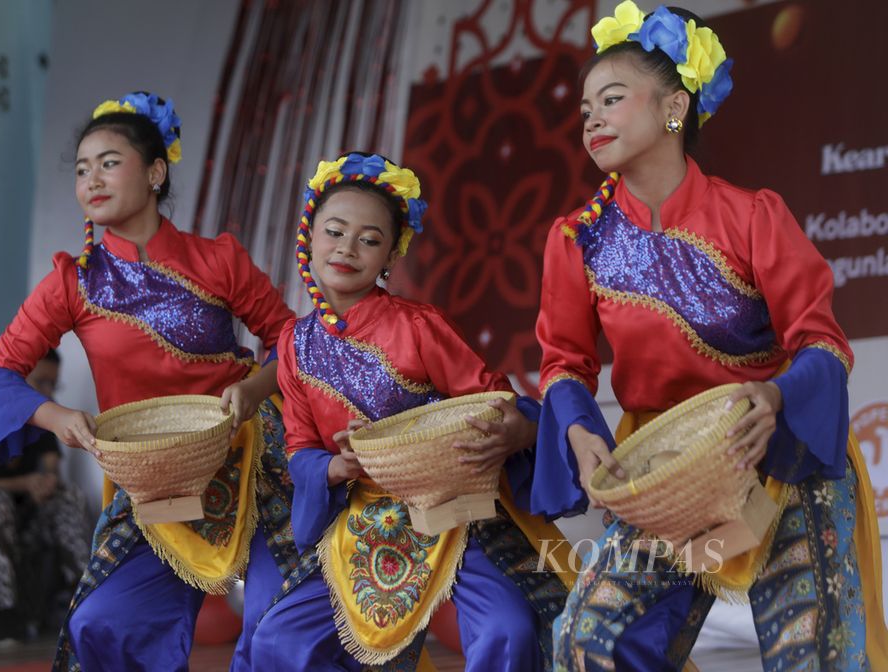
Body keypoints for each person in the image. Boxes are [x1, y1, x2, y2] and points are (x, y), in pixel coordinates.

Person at [533, 3, 888, 670]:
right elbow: (563, 363)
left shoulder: (752, 216)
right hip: (663, 473)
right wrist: (580, 431)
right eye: (585, 109)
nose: (592, 119)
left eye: (611, 99)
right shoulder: (576, 240)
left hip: (776, 449)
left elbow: (822, 344)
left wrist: (777, 400)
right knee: (588, 643)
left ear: (674, 108)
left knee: (811, 653)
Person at [0, 92, 298, 671]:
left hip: (251, 460)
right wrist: (61, 417)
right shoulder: (73, 283)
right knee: (100, 622)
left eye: (108, 162)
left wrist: (253, 390)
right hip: (153, 478)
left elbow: (293, 343)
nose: (90, 179)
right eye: (80, 169)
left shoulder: (216, 259)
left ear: (155, 172)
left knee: (282, 624)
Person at [251, 152, 578, 671]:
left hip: (450, 513)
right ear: (308, 236)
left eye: (370, 239)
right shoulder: (293, 343)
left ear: (389, 258)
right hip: (362, 522)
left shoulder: (419, 326)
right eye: (334, 231)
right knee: (277, 639)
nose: (347, 249)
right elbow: (300, 447)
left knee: (508, 628)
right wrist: (337, 466)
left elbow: (490, 398)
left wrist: (511, 427)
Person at [0, 348, 91, 645]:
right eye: (41, 383)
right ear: (19, 378)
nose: (47, 392)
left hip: (31, 520)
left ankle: (84, 597)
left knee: (69, 495)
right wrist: (25, 483)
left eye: (52, 385)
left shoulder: (47, 413)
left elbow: (52, 471)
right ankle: (4, 611)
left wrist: (44, 485)